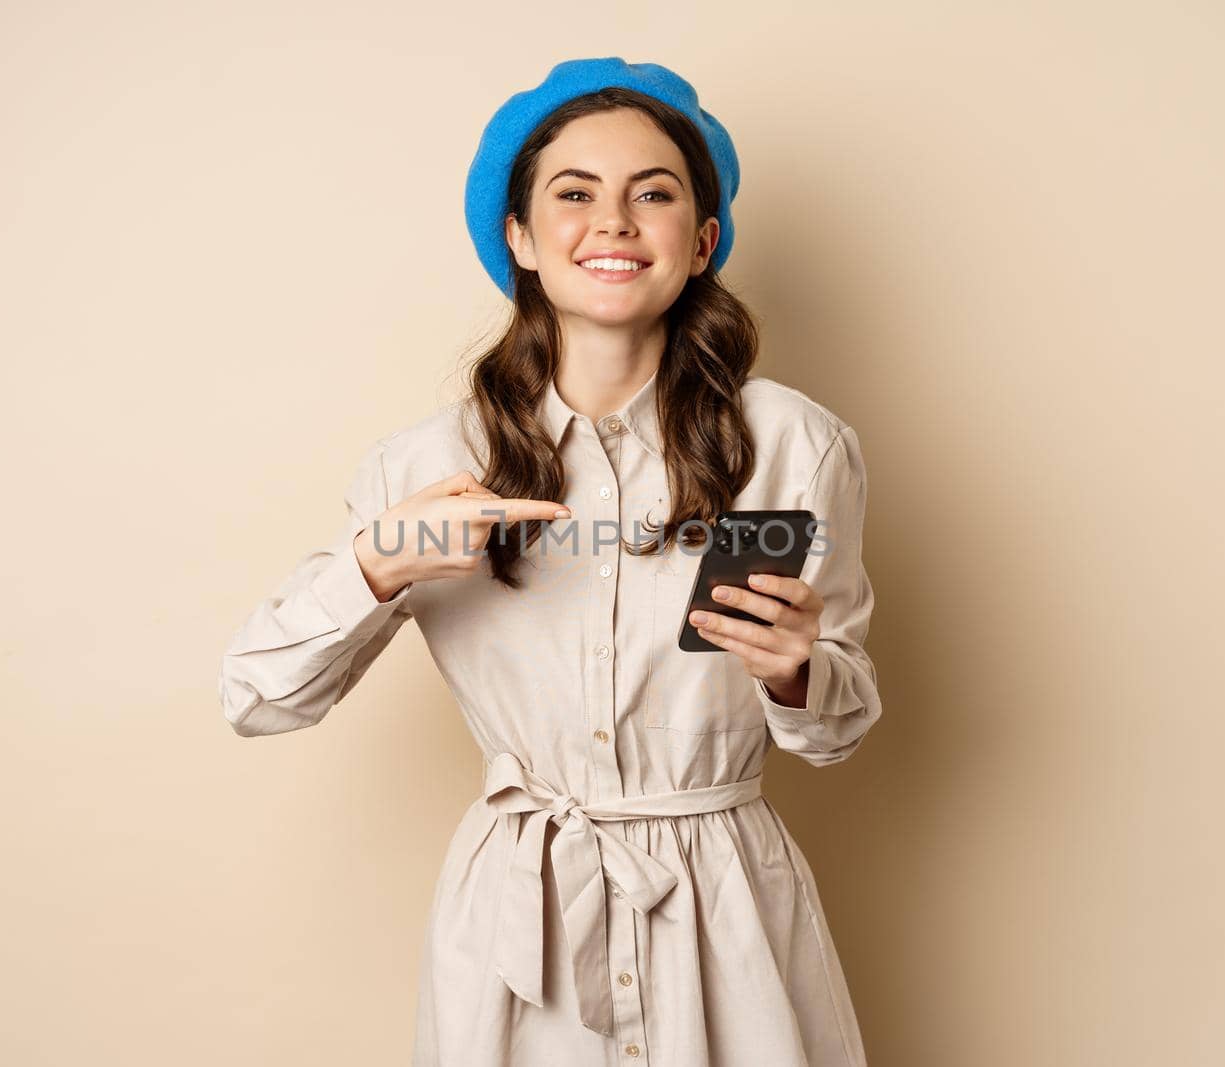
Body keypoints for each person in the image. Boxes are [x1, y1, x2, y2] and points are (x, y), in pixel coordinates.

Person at [218, 56, 885, 1067]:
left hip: (724, 908)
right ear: (520, 237)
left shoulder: (790, 444)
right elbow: (257, 695)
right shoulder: (430, 466)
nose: (612, 222)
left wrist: (798, 667)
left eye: (652, 194)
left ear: (700, 241)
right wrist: (381, 561)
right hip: (514, 926)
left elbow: (833, 730)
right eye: (573, 194)